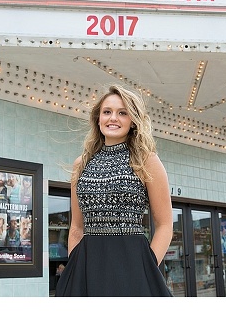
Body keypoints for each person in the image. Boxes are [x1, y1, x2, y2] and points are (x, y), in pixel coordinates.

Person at [56, 85, 173, 297]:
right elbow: (76, 228)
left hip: (134, 267)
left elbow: (165, 224)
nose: (113, 118)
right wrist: (75, 269)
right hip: (85, 268)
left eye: (122, 113)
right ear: (98, 118)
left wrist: (146, 269)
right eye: (107, 112)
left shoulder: (147, 160)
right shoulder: (81, 164)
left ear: (133, 120)